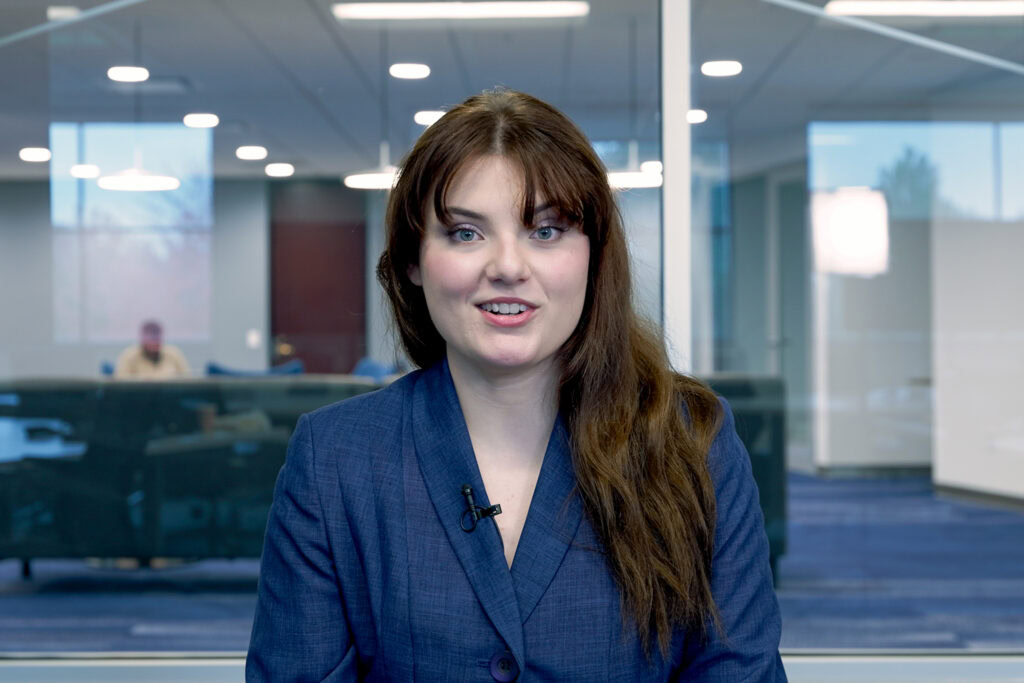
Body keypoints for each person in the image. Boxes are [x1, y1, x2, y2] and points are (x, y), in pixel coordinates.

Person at [247, 89, 786, 681]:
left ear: (594, 256)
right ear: (412, 261)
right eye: (465, 233)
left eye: (546, 231)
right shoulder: (335, 458)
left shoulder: (693, 441)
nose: (507, 266)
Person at [114, 320, 191, 379]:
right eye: (150, 337)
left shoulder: (174, 354)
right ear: (142, 338)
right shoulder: (129, 356)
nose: (153, 341)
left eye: (157, 337)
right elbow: (121, 383)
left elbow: (187, 379)